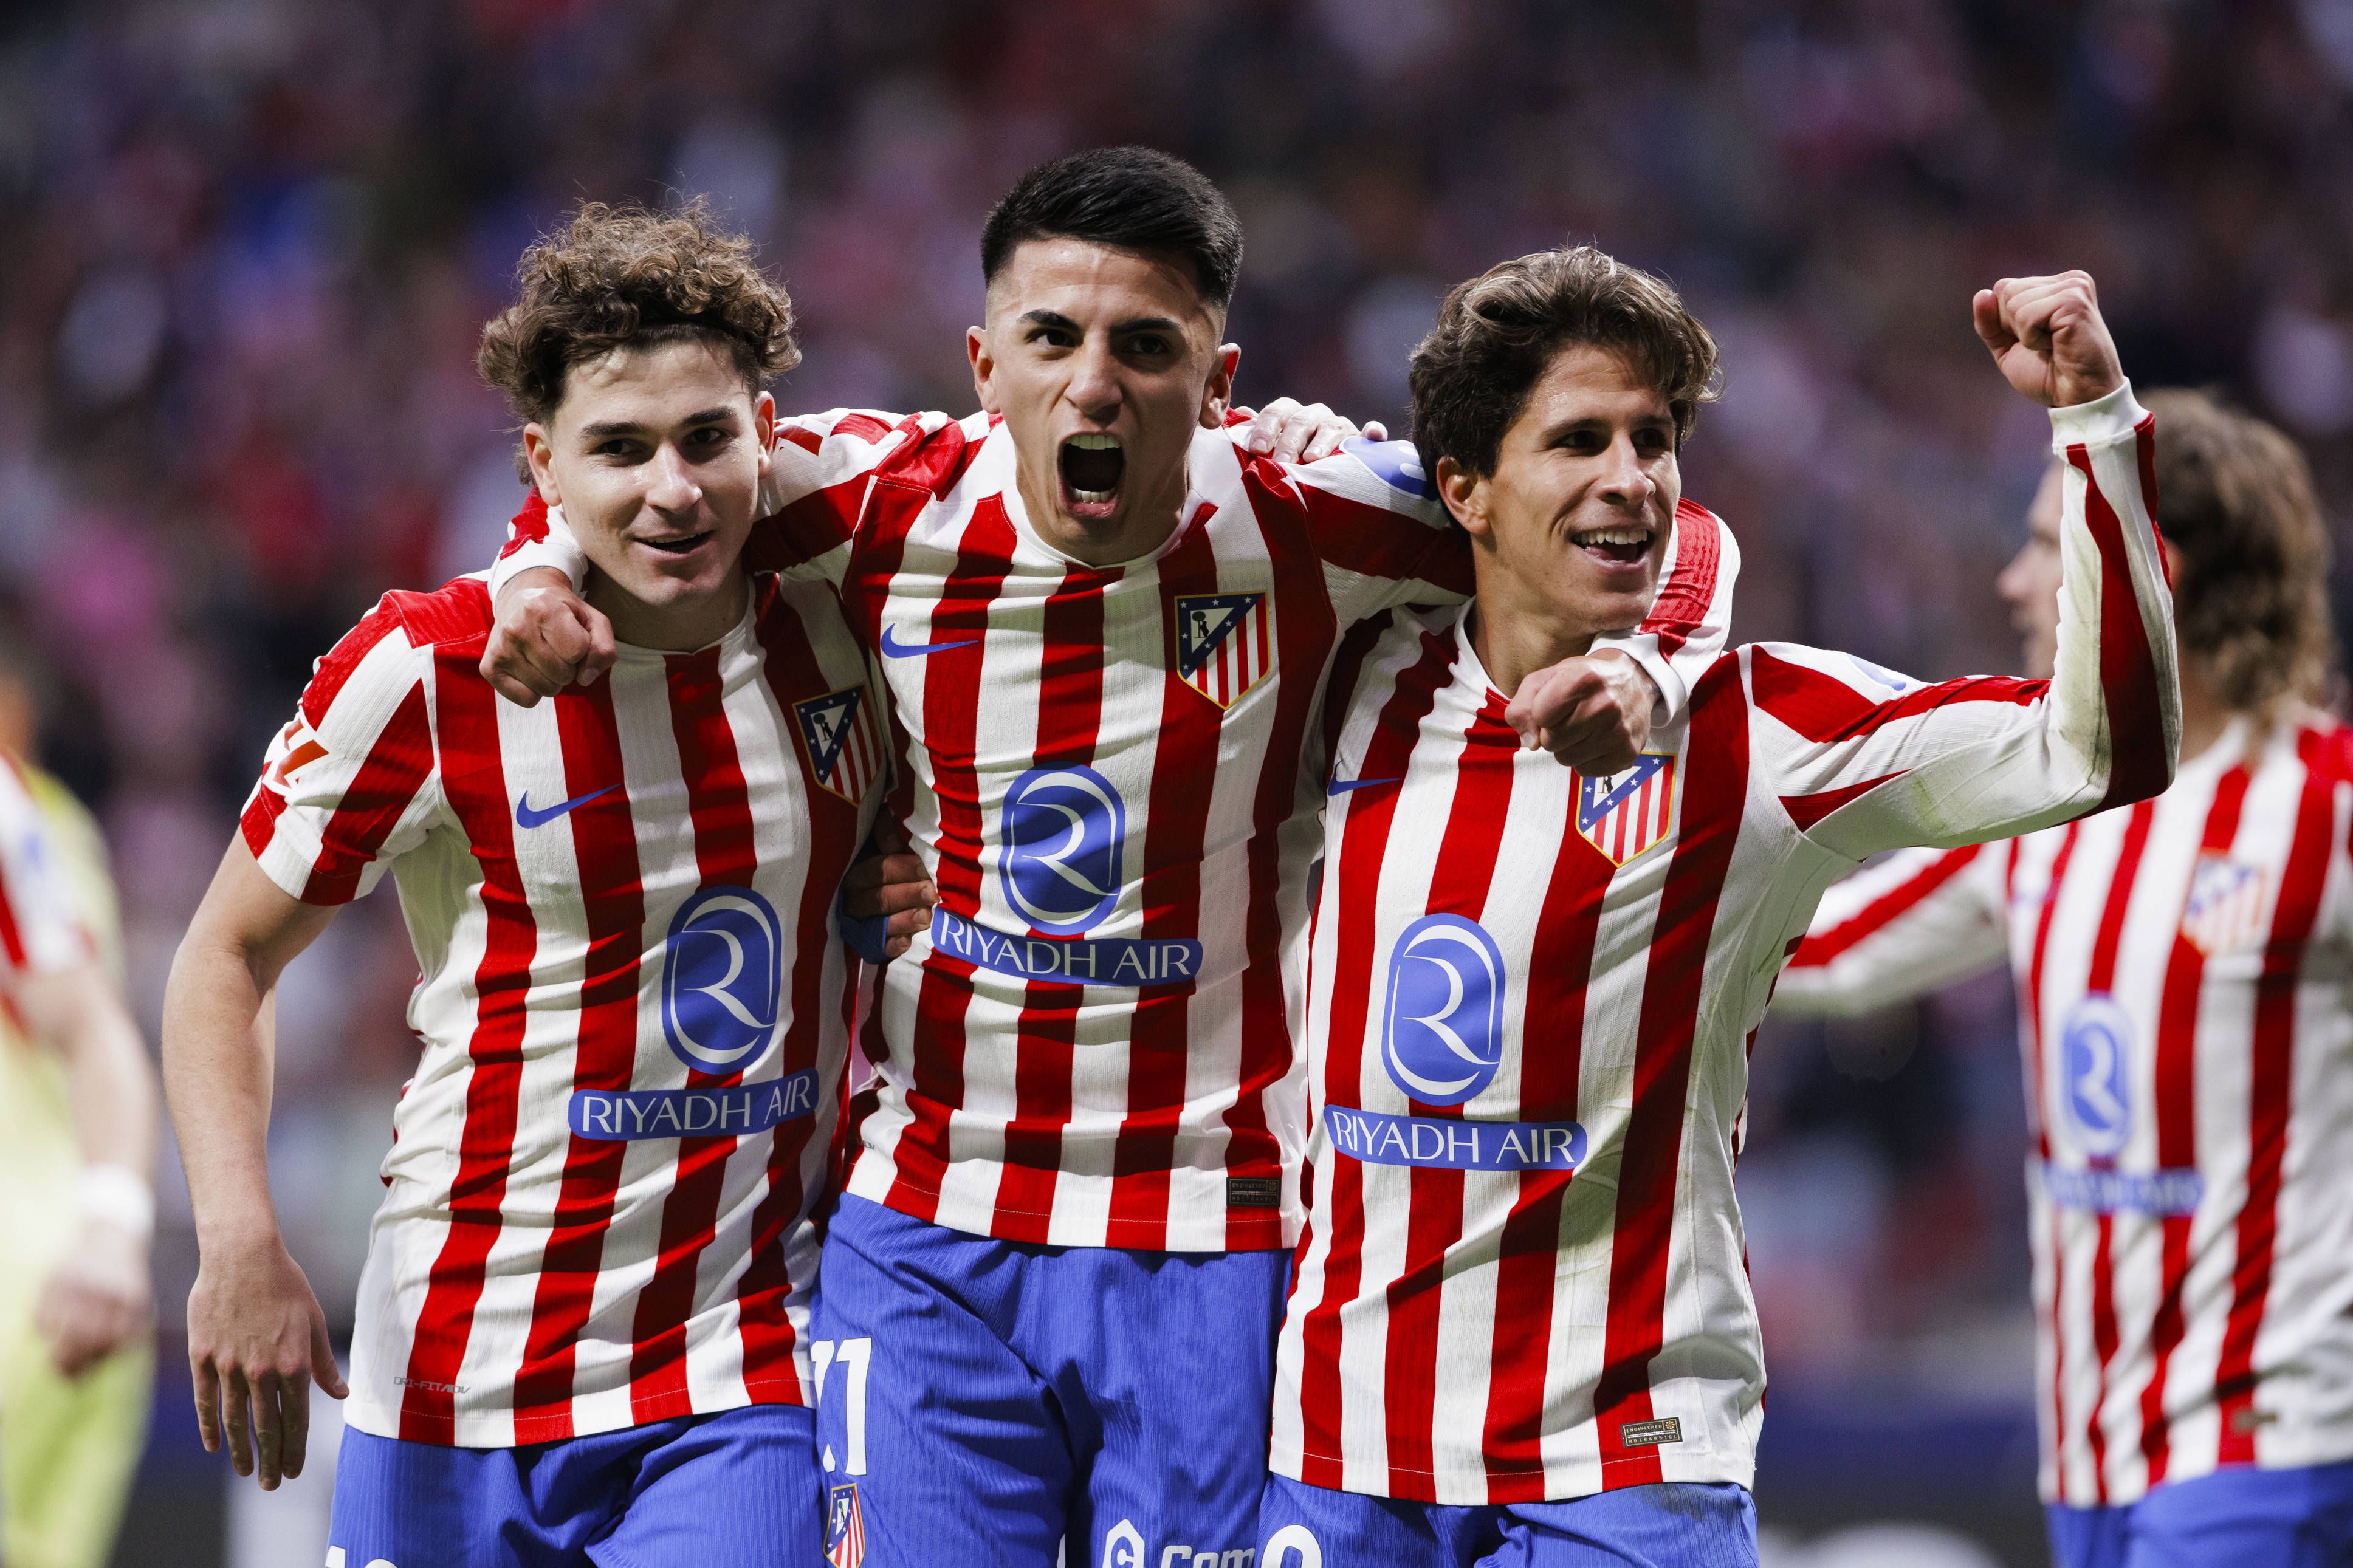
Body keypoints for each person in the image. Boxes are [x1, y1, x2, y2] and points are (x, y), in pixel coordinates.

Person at [481, 147, 1739, 1567]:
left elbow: (1659, 521)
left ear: (1217, 379)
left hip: (1212, 1228)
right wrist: (530, 576)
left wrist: (1650, 659)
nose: (1093, 384)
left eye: (1146, 346)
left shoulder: (1311, 514)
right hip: (927, 1226)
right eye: (1052, 340)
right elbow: (628, 469)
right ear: (980, 362)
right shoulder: (881, 502)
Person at [1256, 251, 2177, 1567]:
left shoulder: (1760, 730)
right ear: (1461, 488)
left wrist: (2094, 420)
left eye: (1654, 438)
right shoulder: (1353, 673)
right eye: (1578, 439)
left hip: (1624, 1468)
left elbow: (2102, 748)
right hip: (1341, 1458)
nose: (1630, 474)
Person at [164, 201, 882, 1565]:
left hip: (737, 1367)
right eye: (618, 448)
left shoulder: (855, 637)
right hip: (450, 1360)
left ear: (769, 430)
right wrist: (237, 1236)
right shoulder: (426, 669)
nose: (670, 487)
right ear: (544, 461)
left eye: (705, 439)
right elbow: (224, 957)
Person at [1773, 389, 2353, 1566]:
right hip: (2085, 1457)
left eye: (2045, 545)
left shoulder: (2322, 808)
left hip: (2267, 1440)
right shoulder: (2047, 810)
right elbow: (1821, 953)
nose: (2012, 582)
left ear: (2151, 571)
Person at [0, 648, 157, 1568]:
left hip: (39, 1291)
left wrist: (111, 1221)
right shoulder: (51, 819)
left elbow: (95, 1030)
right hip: (69, 1277)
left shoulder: (19, 815)